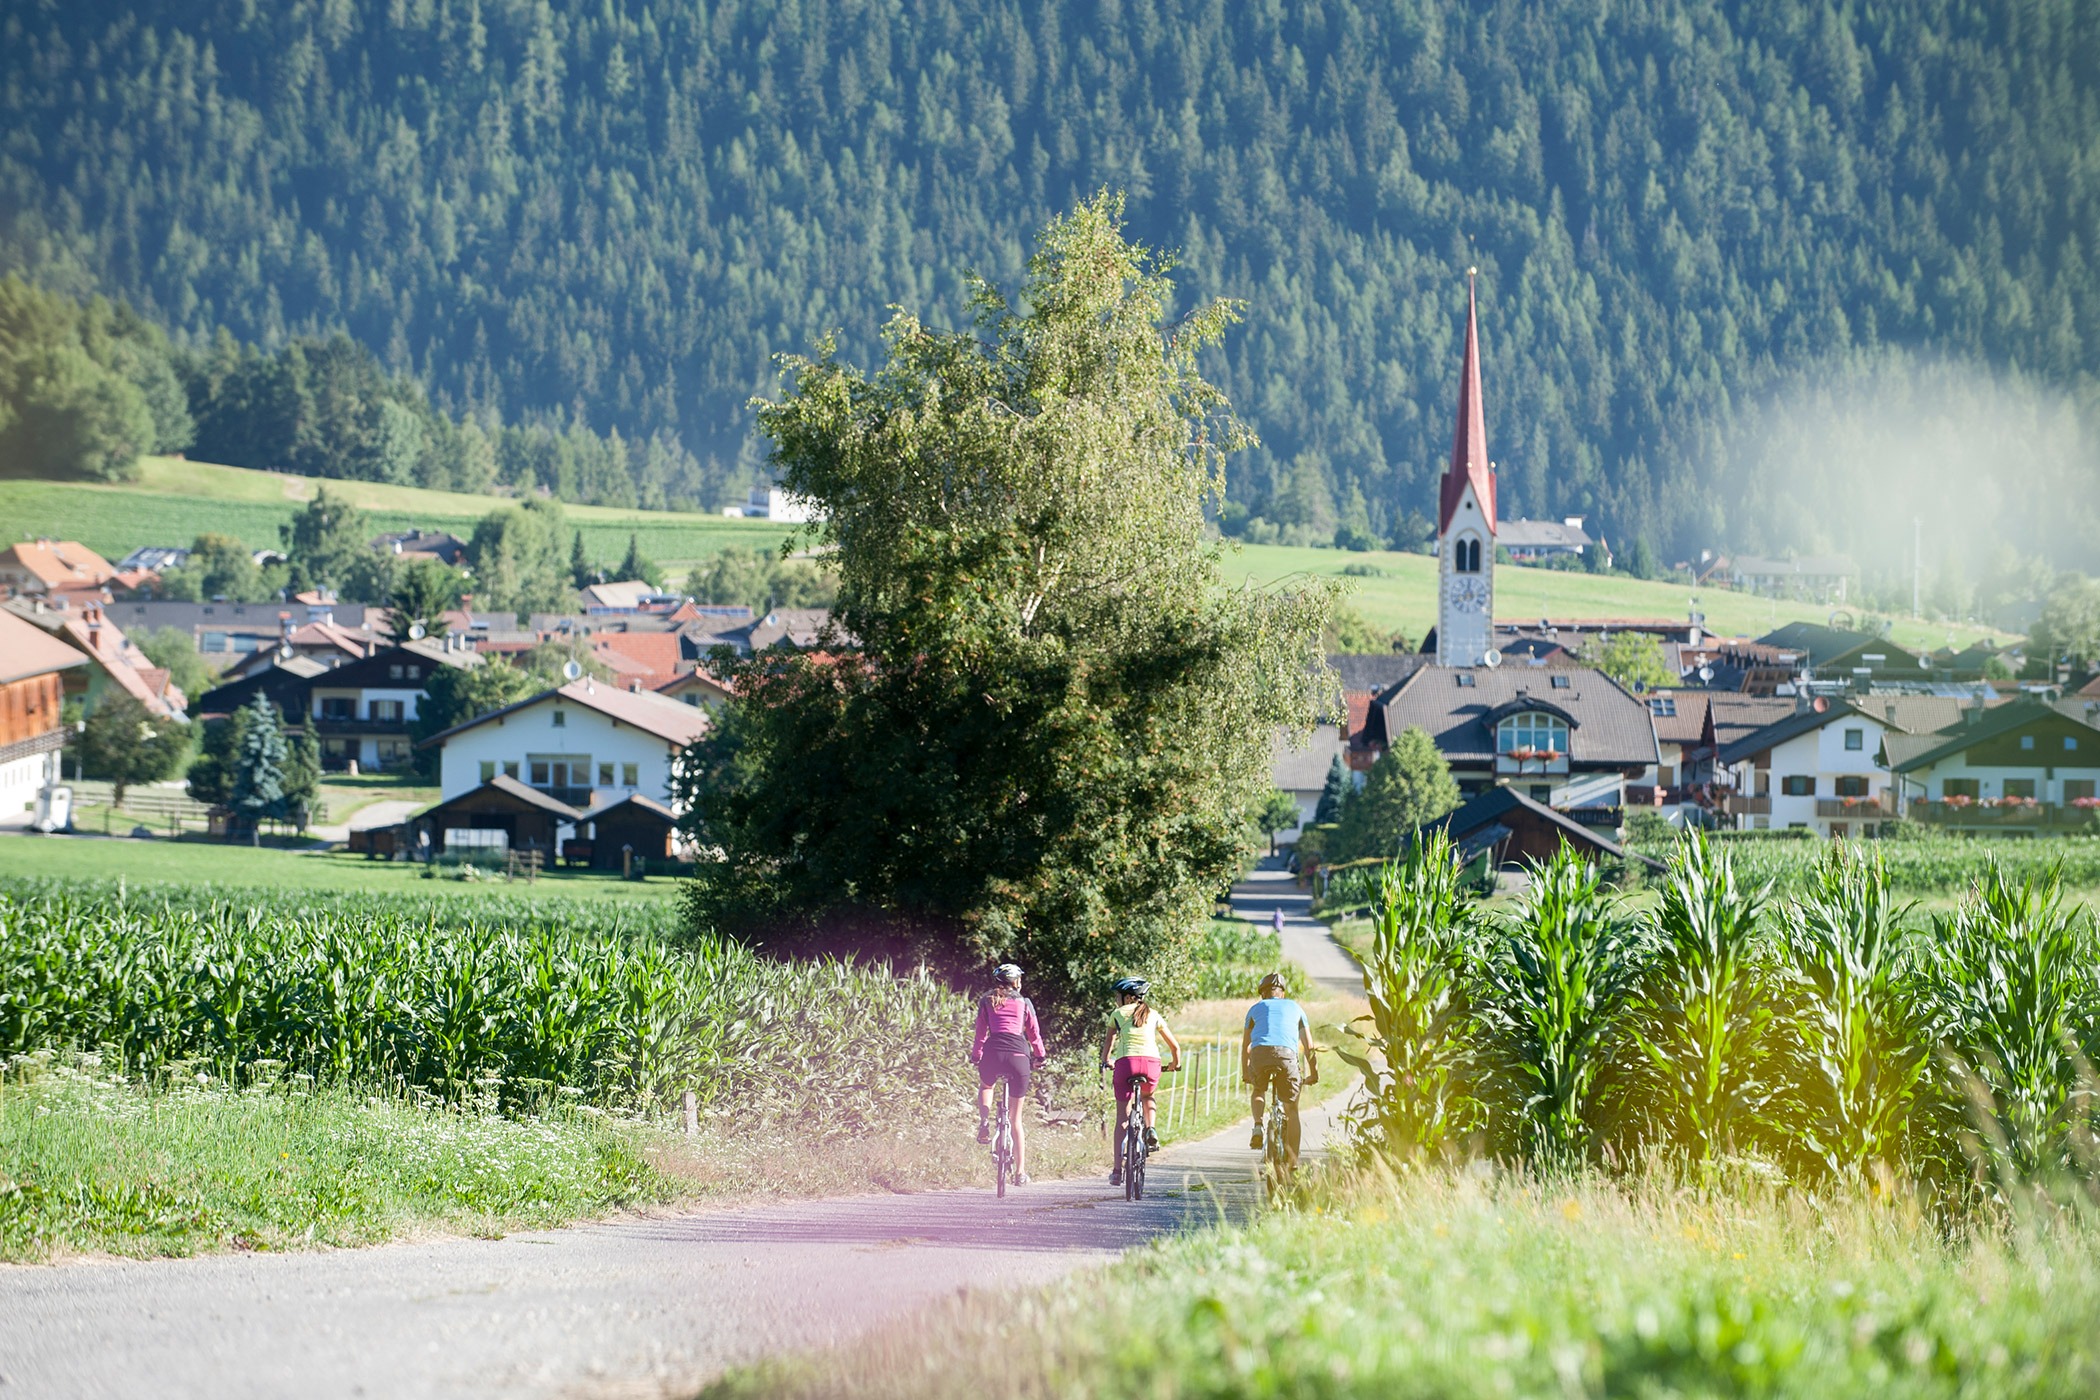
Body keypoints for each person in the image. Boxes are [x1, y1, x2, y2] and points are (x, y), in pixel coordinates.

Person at [1098, 977, 1182, 1185]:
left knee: (1122, 1118)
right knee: (1148, 1095)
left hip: (1126, 1064)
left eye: (1118, 996)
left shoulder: (1117, 1014)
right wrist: (1175, 1064)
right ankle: (1151, 1129)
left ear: (1128, 997)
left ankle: (1117, 1171)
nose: (1116, 1001)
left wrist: (1106, 1061)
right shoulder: (1153, 1014)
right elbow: (1175, 1047)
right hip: (1151, 1064)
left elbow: (1109, 1040)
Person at [970, 962, 1046, 1185]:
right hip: (1019, 1058)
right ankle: (1020, 1173)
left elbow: (980, 1033)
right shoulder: (1024, 1003)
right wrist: (1040, 1057)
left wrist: (976, 1056)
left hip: (993, 1054)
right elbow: (1034, 1033)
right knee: (1015, 1120)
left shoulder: (986, 1000)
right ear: (1016, 982)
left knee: (986, 1086)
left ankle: (984, 1122)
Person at [1242, 970, 1319, 1163]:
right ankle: (1293, 1162)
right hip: (1287, 1056)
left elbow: (1246, 1046)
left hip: (1260, 1054)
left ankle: (1258, 1125)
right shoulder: (1296, 1008)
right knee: (1292, 1110)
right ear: (1282, 993)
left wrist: (1246, 1073)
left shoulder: (1255, 1009)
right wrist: (1314, 1073)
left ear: (1263, 994)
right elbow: (1309, 1046)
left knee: (1259, 1090)